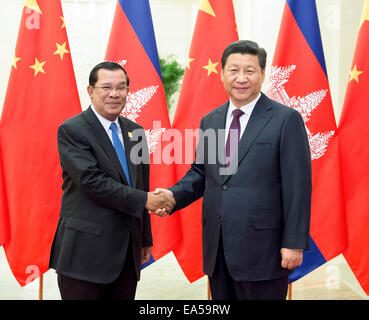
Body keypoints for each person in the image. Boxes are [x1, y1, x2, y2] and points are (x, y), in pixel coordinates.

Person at [154, 40, 312, 300]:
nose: (241, 78)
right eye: (234, 70)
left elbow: (298, 186)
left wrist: (293, 243)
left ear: (262, 74)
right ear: (222, 73)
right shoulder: (211, 120)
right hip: (218, 249)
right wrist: (172, 196)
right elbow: (201, 173)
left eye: (249, 71)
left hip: (265, 251)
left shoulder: (286, 119)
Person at [49, 61, 174, 300]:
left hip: (127, 253)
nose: (114, 94)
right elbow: (91, 182)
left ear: (128, 91)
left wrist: (145, 238)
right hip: (85, 255)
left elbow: (141, 185)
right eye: (106, 87)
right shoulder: (73, 130)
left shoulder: (135, 132)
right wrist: (148, 200)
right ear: (91, 91)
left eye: (121, 87)